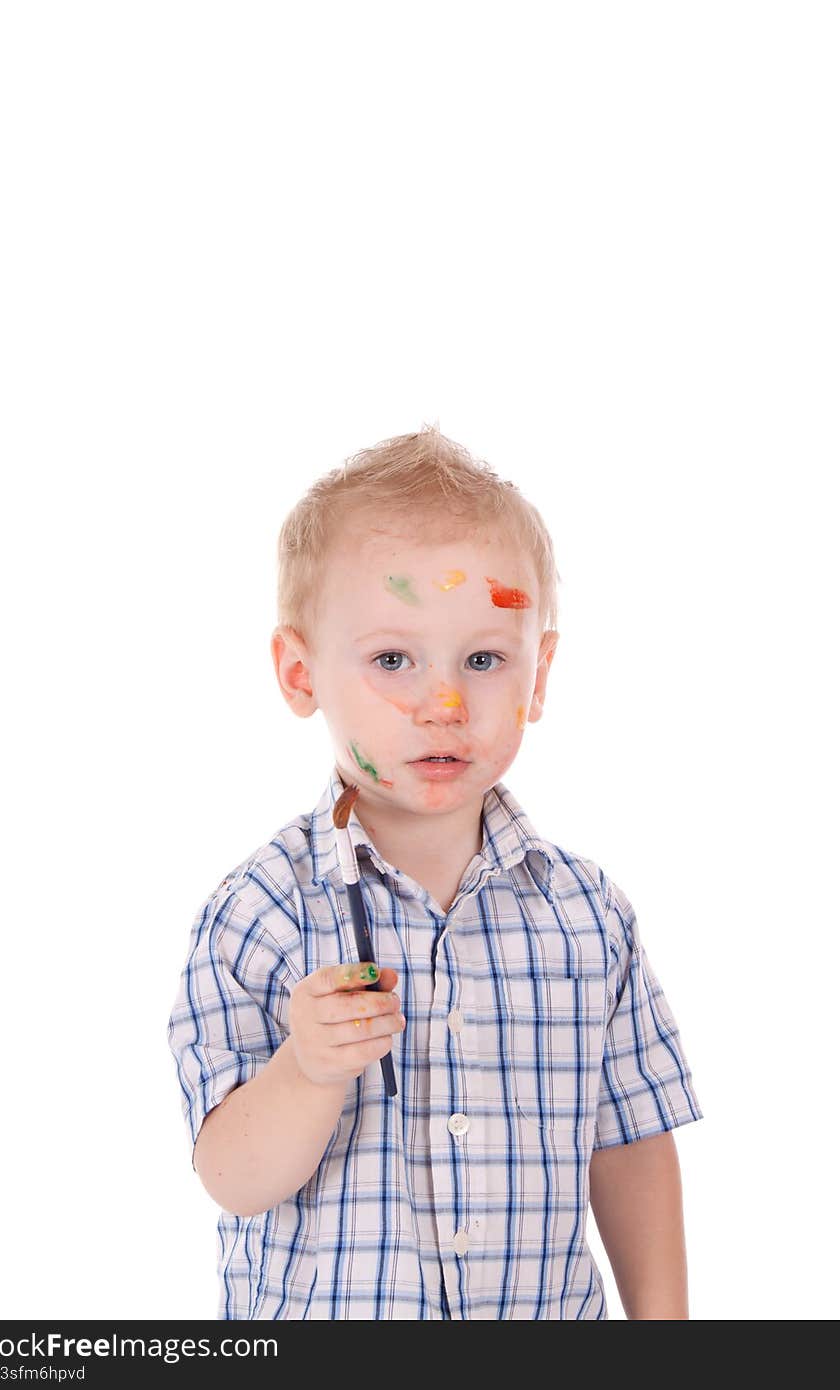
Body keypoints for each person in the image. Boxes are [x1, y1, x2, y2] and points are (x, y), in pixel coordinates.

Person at [166, 424, 704, 1320]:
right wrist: (306, 1071)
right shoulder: (260, 911)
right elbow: (231, 1179)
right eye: (392, 659)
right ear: (301, 674)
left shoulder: (587, 915)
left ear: (540, 675)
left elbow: (631, 1144)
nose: (444, 704)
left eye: (485, 660)